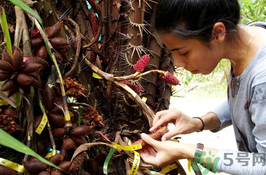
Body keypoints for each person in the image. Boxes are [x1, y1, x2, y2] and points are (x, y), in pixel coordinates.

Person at [138, 0, 266, 174]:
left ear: (218, 33)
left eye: (184, 52)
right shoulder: (251, 36)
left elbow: (263, 164)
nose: (178, 63)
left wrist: (186, 151)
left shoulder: (262, 77)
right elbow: (249, 101)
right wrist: (198, 123)